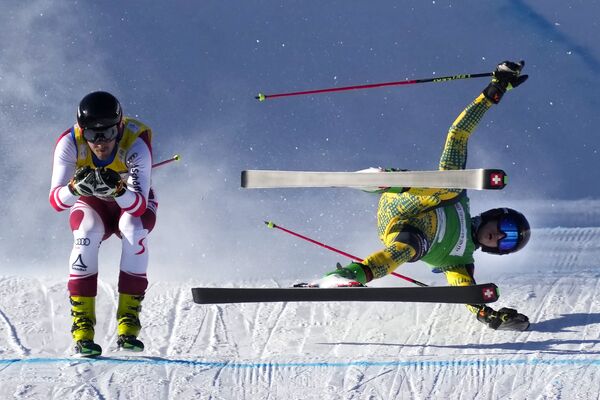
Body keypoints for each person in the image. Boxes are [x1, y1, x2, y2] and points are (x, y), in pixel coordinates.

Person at [310, 61, 531, 331]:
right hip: (403, 198)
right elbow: (458, 135)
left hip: (400, 231)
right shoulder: (461, 197)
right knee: (451, 186)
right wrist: (495, 90)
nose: (499, 237)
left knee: (411, 249)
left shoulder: (461, 261)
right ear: (494, 216)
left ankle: (344, 275)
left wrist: (490, 315)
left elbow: (467, 293)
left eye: (507, 243)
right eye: (505, 229)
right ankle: (378, 180)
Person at [49, 91, 157, 356]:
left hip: (131, 203)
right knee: (86, 233)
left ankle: (128, 323)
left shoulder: (136, 143)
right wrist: (74, 188)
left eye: (107, 133)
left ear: (119, 128)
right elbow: (56, 201)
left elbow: (139, 205)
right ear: (81, 131)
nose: (100, 143)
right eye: (92, 135)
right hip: (93, 202)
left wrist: (119, 191)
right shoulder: (69, 142)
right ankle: (83, 328)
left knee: (133, 229)